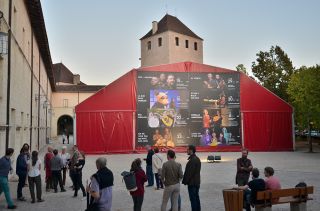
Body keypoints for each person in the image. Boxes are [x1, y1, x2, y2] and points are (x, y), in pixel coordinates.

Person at [182, 145, 201, 211]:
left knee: (193, 200)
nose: (186, 151)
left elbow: (189, 173)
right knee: (196, 198)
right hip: (196, 182)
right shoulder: (197, 158)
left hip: (192, 183)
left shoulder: (192, 160)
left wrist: (185, 181)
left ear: (191, 150)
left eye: (187, 149)